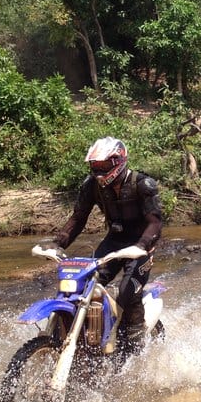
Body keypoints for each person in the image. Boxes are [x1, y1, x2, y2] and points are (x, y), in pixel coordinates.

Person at [53, 136, 162, 351]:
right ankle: (84, 333)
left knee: (126, 292)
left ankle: (134, 340)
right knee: (82, 284)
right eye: (96, 166)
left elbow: (155, 222)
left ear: (119, 162)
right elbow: (78, 217)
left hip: (140, 246)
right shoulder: (92, 186)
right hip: (114, 241)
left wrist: (142, 246)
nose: (100, 171)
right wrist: (57, 243)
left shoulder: (142, 184)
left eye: (105, 165)